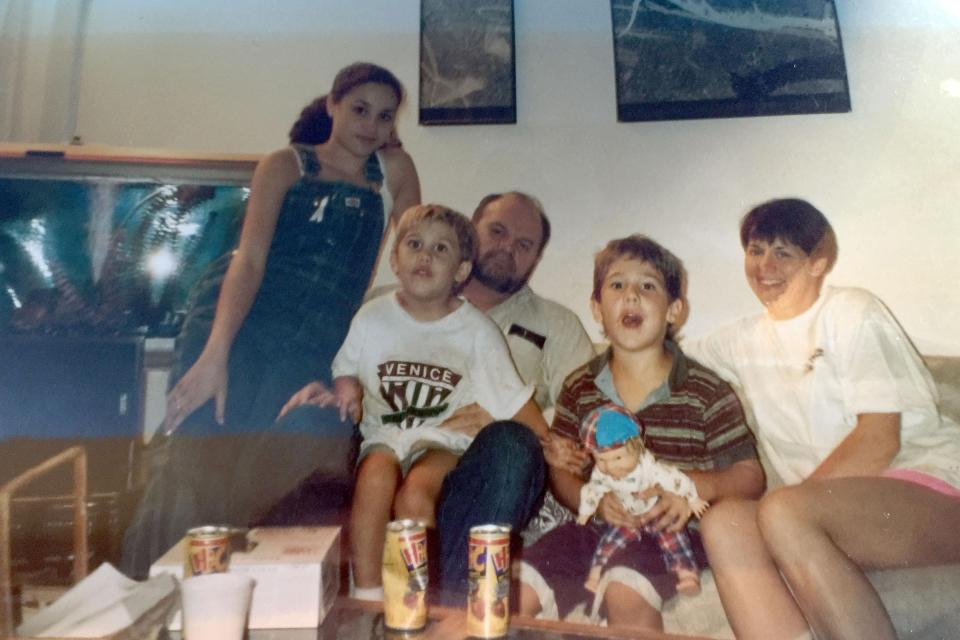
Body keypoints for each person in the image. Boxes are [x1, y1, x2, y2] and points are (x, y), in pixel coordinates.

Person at [120, 62, 420, 578]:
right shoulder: (285, 164)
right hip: (238, 324)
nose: (370, 125)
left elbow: (418, 257)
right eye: (359, 109)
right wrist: (215, 355)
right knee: (196, 470)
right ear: (332, 105)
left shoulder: (394, 173)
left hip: (317, 340)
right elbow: (249, 260)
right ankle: (149, 606)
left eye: (384, 115)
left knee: (270, 478)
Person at [686, 198, 960, 640]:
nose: (765, 266)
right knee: (724, 523)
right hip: (824, 515)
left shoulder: (853, 311)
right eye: (756, 251)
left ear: (818, 263)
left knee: (782, 511)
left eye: (783, 253)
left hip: (934, 488)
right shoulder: (741, 339)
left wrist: (788, 509)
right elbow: (660, 361)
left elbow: (878, 440)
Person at [290, 204, 549, 600]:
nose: (425, 255)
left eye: (441, 249)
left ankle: (417, 596)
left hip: (443, 440)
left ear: (461, 270)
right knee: (374, 480)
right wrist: (346, 391)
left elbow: (512, 399)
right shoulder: (372, 317)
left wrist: (550, 442)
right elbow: (347, 369)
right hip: (385, 434)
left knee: (416, 492)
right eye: (414, 244)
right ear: (395, 259)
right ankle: (369, 594)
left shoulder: (477, 330)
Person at [517, 235, 764, 632]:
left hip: (672, 535)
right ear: (597, 308)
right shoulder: (580, 386)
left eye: (648, 285)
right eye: (617, 285)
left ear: (674, 310)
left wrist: (691, 487)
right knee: (512, 588)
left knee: (625, 591)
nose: (631, 295)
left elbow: (750, 476)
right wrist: (589, 500)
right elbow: (563, 469)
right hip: (594, 529)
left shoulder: (706, 390)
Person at [576, 404, 708, 595]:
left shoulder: (649, 468)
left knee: (674, 537)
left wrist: (693, 499)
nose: (610, 467)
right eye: (601, 460)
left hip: (655, 510)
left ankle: (687, 574)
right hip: (627, 515)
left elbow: (676, 478)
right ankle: (595, 576)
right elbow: (592, 490)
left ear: (637, 447)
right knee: (608, 542)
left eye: (618, 458)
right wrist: (585, 512)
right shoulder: (601, 473)